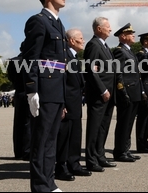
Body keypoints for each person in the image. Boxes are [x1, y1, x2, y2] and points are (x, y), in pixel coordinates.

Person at [22, 0, 68, 192]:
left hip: (57, 89)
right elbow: (30, 57)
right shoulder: (38, 21)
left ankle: (49, 183)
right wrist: (32, 89)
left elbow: (60, 62)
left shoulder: (57, 23)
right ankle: (40, 187)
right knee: (41, 141)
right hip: (44, 88)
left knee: (51, 140)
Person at [55, 28, 92, 181]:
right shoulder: (63, 57)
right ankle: (61, 166)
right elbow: (59, 81)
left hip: (75, 102)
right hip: (67, 103)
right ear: (71, 40)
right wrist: (62, 104)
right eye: (81, 38)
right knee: (64, 137)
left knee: (75, 136)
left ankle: (74, 164)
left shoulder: (74, 57)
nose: (83, 41)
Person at [83, 17, 117, 172]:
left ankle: (100, 156)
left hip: (109, 94)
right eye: (107, 27)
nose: (110, 29)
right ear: (98, 29)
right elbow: (90, 70)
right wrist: (102, 90)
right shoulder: (93, 45)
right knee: (94, 127)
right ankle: (91, 159)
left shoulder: (104, 46)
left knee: (103, 127)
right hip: (99, 94)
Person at [112, 23, 143, 162]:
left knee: (129, 123)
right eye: (130, 33)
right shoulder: (120, 51)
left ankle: (126, 149)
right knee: (124, 123)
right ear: (123, 36)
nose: (133, 35)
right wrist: (122, 91)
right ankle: (119, 151)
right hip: (127, 91)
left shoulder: (128, 50)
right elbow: (118, 73)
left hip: (134, 91)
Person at [7, 42, 31, 161]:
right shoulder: (31, 61)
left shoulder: (13, 61)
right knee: (28, 123)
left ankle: (18, 151)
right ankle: (27, 151)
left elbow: (10, 77)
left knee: (18, 123)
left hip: (18, 92)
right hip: (28, 92)